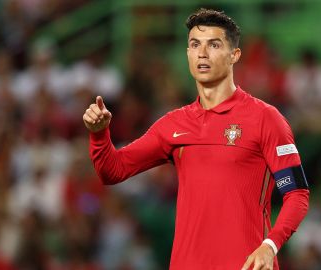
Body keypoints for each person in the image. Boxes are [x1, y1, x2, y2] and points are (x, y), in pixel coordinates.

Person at [83, 8, 309, 270]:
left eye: (214, 45)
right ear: (188, 54)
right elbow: (112, 170)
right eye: (194, 45)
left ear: (234, 55)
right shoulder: (174, 124)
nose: (202, 53)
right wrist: (99, 134)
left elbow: (297, 195)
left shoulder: (266, 119)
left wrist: (270, 246)